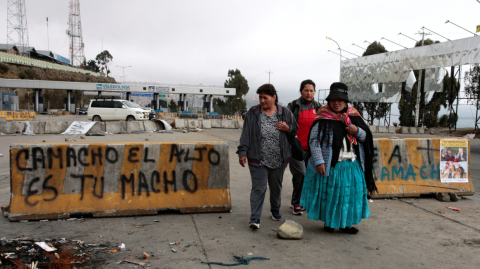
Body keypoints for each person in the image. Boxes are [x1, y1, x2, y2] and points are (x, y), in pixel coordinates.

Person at [300, 82, 377, 234]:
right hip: (332, 165)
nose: (336, 102)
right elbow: (314, 141)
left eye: (340, 100)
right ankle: (329, 223)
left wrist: (356, 131)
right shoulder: (323, 116)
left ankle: (346, 224)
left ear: (346, 101)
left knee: (349, 196)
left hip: (352, 165)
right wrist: (319, 162)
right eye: (333, 99)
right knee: (332, 196)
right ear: (329, 100)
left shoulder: (354, 116)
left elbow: (366, 137)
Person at [237, 84, 298, 230]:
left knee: (276, 187)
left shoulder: (285, 112)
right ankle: (255, 218)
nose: (262, 100)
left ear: (274, 97)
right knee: (259, 188)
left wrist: (287, 128)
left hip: (279, 159)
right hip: (257, 158)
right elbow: (246, 134)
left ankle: (275, 209)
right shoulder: (253, 113)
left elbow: (295, 128)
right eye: (260, 97)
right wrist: (242, 152)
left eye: (266, 97)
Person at [287, 79, 321, 215]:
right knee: (300, 174)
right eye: (306, 90)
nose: (309, 93)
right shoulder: (293, 106)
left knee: (309, 176)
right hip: (296, 148)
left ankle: (303, 201)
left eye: (311, 90)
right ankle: (296, 203)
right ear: (301, 91)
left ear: (314, 92)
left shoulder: (319, 108)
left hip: (313, 148)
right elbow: (286, 123)